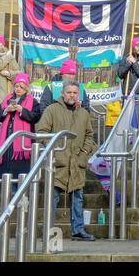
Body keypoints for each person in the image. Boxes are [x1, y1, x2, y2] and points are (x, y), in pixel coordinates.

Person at [37, 80, 97, 241]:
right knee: (52, 198)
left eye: (75, 93)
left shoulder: (84, 113)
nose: (72, 95)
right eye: (69, 92)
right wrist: (55, 151)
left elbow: (89, 135)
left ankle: (77, 230)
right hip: (58, 163)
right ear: (62, 94)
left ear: (79, 95)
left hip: (77, 162)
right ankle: (48, 230)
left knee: (77, 198)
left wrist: (84, 153)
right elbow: (41, 131)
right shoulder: (51, 110)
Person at [0, 73, 40, 193]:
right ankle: (8, 201)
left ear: (26, 88)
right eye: (16, 86)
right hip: (6, 141)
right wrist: (6, 110)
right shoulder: (7, 99)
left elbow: (36, 117)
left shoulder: (32, 101)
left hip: (22, 145)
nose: (18, 89)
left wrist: (22, 110)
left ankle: (21, 200)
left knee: (21, 175)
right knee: (7, 176)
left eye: (21, 87)